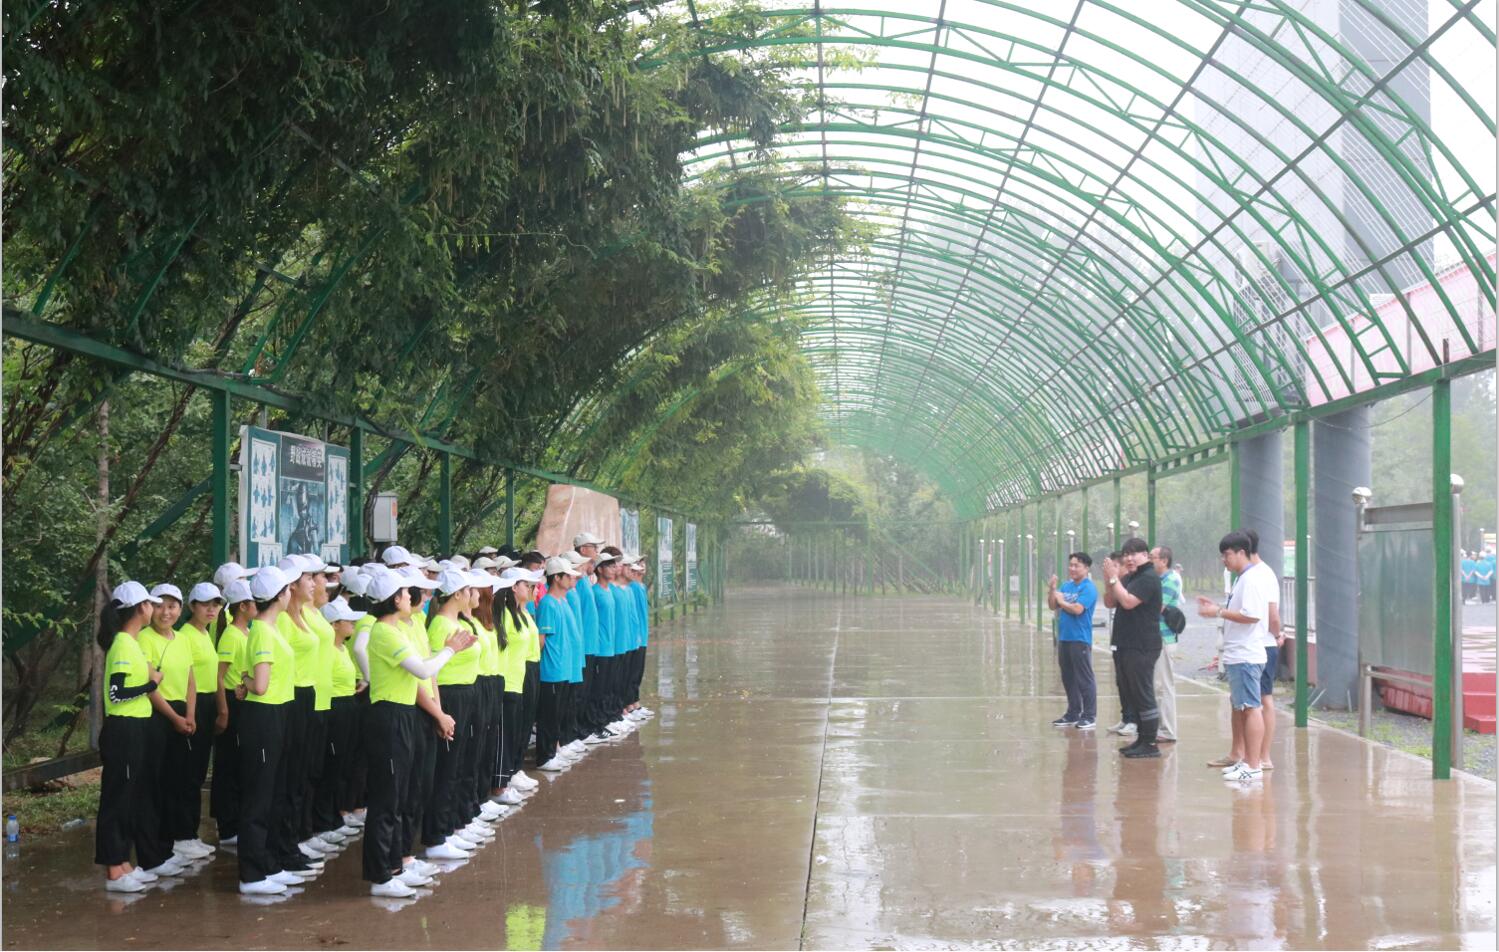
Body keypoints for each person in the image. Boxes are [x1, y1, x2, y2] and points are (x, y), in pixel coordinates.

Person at [360, 569, 475, 898]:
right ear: (395, 599)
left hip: (403, 712)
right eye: (408, 593)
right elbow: (423, 669)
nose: (413, 597)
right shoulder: (384, 632)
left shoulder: (397, 628)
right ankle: (380, 875)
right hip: (388, 715)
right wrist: (451, 649)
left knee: (399, 793)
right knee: (386, 798)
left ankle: (396, 864)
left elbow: (424, 669)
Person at [94, 581, 172, 892]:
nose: (154, 609)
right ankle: (114, 869)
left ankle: (124, 863)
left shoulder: (131, 642)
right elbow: (117, 691)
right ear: (141, 608)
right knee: (117, 799)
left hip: (136, 727)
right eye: (151, 604)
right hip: (123, 729)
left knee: (129, 797)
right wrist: (151, 684)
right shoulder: (124, 644)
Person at [238, 565, 310, 895]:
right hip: (264, 715)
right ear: (281, 595)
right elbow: (262, 685)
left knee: (273, 792)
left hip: (278, 713)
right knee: (259, 795)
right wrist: (246, 683)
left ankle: (267, 862)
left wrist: (247, 683)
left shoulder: (271, 627)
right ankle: (251, 873)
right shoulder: (262, 632)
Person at [1196, 532, 1274, 784]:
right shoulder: (1243, 579)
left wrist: (1218, 611)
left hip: (1246, 654)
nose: (1224, 560)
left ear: (1242, 552)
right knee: (1243, 708)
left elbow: (1252, 615)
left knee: (1252, 708)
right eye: (1222, 555)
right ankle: (1246, 761)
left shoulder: (1251, 580)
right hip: (1239, 654)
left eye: (1227, 554)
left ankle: (1253, 766)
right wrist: (1218, 608)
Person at [139, 583, 208, 864]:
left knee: (181, 778)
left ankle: (177, 840)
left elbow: (190, 679)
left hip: (183, 712)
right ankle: (160, 847)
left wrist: (190, 714)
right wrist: (175, 718)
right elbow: (149, 686)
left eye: (172, 606)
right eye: (160, 606)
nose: (166, 612)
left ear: (180, 609)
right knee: (160, 782)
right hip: (159, 714)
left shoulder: (181, 638)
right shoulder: (144, 639)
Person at [309, 597, 366, 850]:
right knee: (330, 766)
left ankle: (335, 815)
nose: (353, 623)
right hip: (334, 707)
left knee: (343, 764)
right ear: (333, 624)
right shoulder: (327, 651)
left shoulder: (343, 648)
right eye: (347, 620)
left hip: (348, 706)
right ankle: (323, 821)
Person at [1101, 538, 1163, 759]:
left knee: (1143, 692)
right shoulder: (1130, 577)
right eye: (1126, 554)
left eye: (1134, 553)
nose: (1129, 558)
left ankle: (1150, 742)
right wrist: (1110, 579)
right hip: (1126, 643)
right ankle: (1141, 738)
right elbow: (1110, 601)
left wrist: (1115, 578)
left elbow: (1127, 601)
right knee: (1131, 692)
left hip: (1143, 645)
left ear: (1145, 555)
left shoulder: (1148, 578)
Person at [178, 582, 226, 856]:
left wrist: (220, 709)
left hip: (207, 704)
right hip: (194, 704)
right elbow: (188, 677)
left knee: (197, 771)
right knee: (187, 771)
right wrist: (191, 713)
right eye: (205, 604)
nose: (211, 609)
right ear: (192, 606)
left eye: (216, 604)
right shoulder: (185, 635)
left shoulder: (205, 634)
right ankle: (182, 835)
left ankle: (189, 833)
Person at [210, 578, 255, 847]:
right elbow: (220, 675)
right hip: (231, 702)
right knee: (227, 764)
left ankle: (236, 819)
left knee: (239, 764)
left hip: (242, 700)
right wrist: (224, 710)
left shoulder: (246, 633)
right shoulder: (230, 635)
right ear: (243, 607)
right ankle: (227, 826)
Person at [1047, 553, 1098, 730]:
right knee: (1068, 677)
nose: (1072, 568)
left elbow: (1077, 609)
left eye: (1077, 565)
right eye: (1071, 565)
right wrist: (1052, 590)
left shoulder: (1088, 588)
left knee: (1084, 678)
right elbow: (1053, 606)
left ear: (1086, 568)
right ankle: (1073, 713)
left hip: (1080, 639)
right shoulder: (1066, 585)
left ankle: (1089, 715)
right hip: (1065, 638)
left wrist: (1061, 600)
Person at [1151, 548, 1181, 743]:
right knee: (1156, 685)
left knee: (1164, 685)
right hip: (1156, 638)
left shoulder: (1170, 580)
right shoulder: (1159, 580)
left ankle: (1168, 730)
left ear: (1163, 560)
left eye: (1152, 558)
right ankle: (1160, 727)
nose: (1149, 561)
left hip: (1164, 638)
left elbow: (1156, 606)